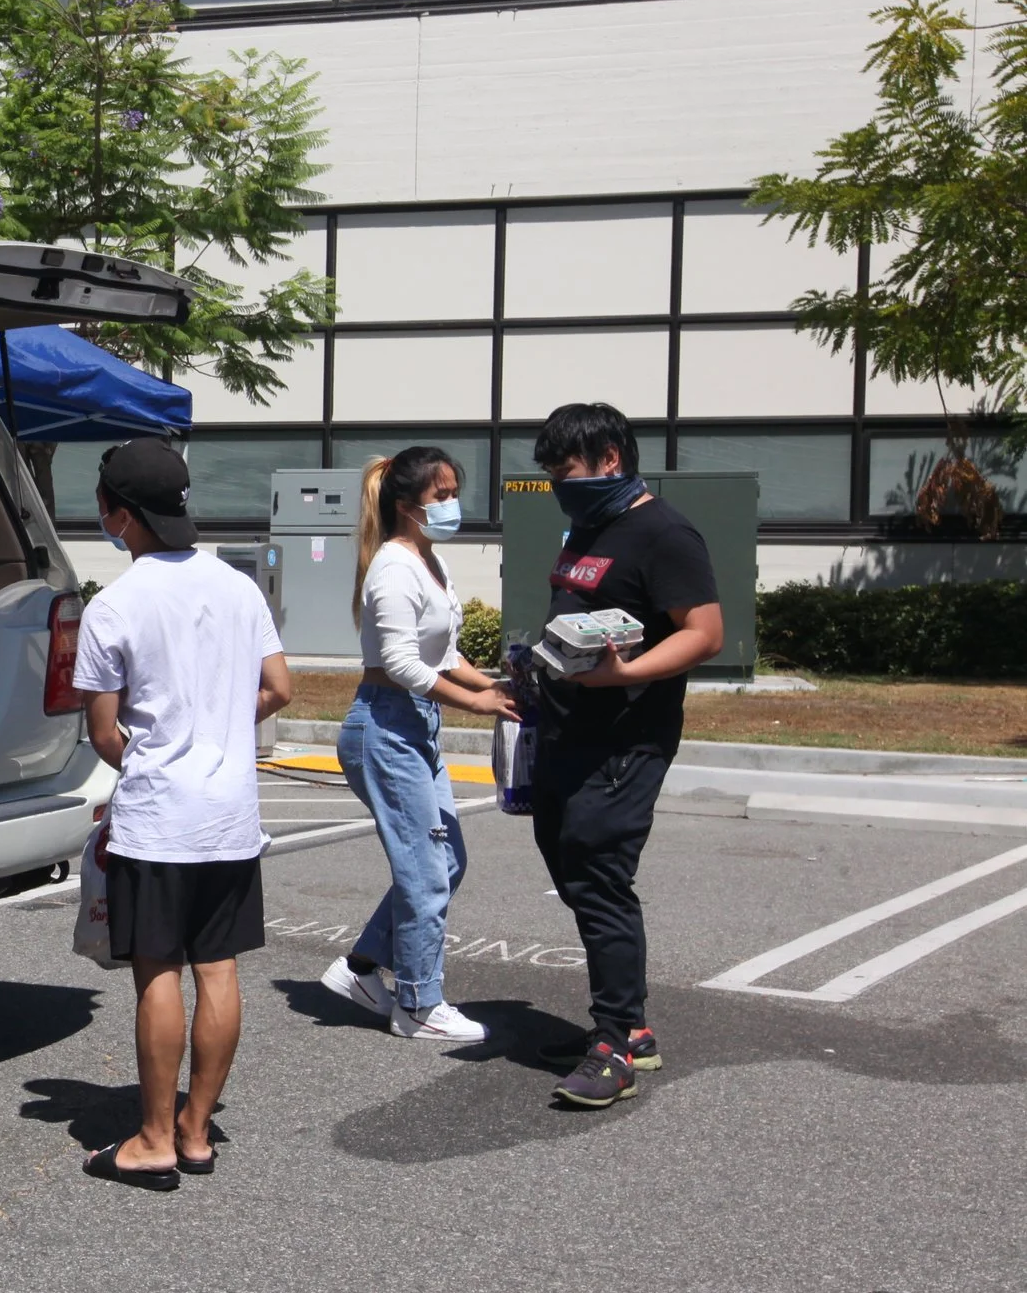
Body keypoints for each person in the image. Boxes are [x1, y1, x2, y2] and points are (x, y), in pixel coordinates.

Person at [72, 440, 292, 1191]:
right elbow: (281, 686)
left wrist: (152, 741)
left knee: (158, 970)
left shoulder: (115, 605)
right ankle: (198, 1130)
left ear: (120, 514)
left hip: (160, 814)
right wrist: (223, 721)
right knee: (218, 966)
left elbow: (104, 731)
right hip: (230, 812)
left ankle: (153, 1136)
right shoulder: (238, 588)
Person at [525, 404, 722, 1108]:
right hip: (565, 730)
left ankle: (614, 1046)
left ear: (610, 458)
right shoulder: (592, 525)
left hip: (624, 738)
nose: (557, 485)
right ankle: (629, 1023)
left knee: (599, 871)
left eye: (565, 471)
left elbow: (704, 633)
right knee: (571, 865)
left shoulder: (664, 532)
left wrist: (626, 676)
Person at [320, 446, 519, 1042]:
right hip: (385, 728)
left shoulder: (428, 561)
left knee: (444, 862)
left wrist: (498, 686)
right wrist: (477, 704)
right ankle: (417, 1006)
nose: (453, 504)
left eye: (455, 491)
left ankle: (359, 969)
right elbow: (403, 663)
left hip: (413, 725)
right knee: (427, 873)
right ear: (407, 506)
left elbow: (443, 652)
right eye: (442, 495)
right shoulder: (394, 568)